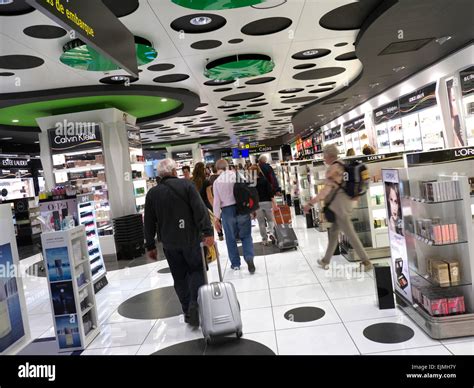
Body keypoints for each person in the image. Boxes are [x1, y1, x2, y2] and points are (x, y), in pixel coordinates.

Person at [144, 159, 214, 327]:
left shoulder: (153, 194)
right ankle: (195, 305)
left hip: (169, 243)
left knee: (179, 276)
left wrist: (150, 245)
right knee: (196, 270)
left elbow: (149, 221)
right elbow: (200, 209)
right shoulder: (187, 186)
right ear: (175, 171)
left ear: (159, 175)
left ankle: (187, 310)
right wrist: (207, 232)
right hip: (191, 239)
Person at [303, 145, 373, 271]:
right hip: (344, 203)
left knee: (350, 233)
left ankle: (366, 262)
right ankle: (325, 260)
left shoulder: (333, 168)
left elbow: (325, 191)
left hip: (339, 205)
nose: (323, 158)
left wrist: (310, 203)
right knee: (334, 232)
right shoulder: (342, 164)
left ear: (329, 156)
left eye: (324, 156)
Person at [213, 159, 255, 273]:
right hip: (242, 208)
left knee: (230, 239)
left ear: (217, 169)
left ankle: (235, 264)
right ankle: (249, 258)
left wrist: (216, 218)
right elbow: (248, 191)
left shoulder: (217, 182)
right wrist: (252, 209)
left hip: (227, 211)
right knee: (246, 235)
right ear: (228, 166)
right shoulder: (237, 175)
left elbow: (216, 201)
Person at [249, 165, 278, 245]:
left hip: (257, 204)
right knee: (270, 220)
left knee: (261, 223)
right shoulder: (264, 180)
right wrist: (274, 203)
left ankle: (264, 240)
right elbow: (270, 192)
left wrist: (252, 209)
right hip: (267, 202)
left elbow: (250, 197)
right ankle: (272, 233)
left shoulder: (251, 183)